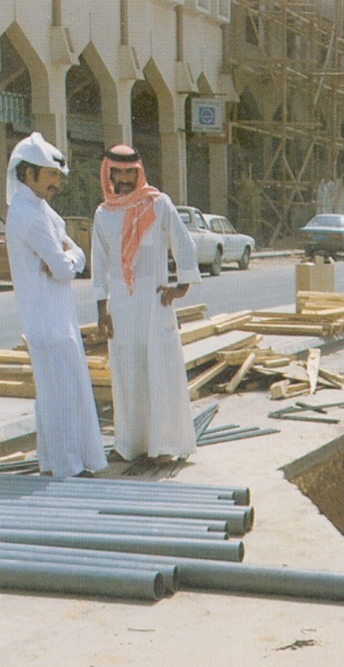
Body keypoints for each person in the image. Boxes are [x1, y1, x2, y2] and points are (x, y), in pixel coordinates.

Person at [4, 133, 108, 479]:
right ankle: (68, 468)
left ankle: (53, 463)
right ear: (28, 173)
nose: (57, 183)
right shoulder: (28, 214)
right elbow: (64, 268)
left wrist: (69, 255)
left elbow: (71, 255)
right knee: (60, 395)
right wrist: (70, 257)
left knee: (56, 394)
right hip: (46, 320)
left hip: (56, 317)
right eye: (51, 175)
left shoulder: (39, 208)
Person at [91, 145, 200, 462]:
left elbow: (184, 243)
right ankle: (129, 445)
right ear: (109, 175)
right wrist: (102, 310)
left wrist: (181, 287)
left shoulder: (159, 204)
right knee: (127, 373)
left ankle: (163, 447)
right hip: (122, 308)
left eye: (130, 173)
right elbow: (99, 265)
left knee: (159, 370)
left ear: (138, 172)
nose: (124, 179)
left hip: (155, 304)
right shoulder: (103, 214)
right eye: (118, 173)